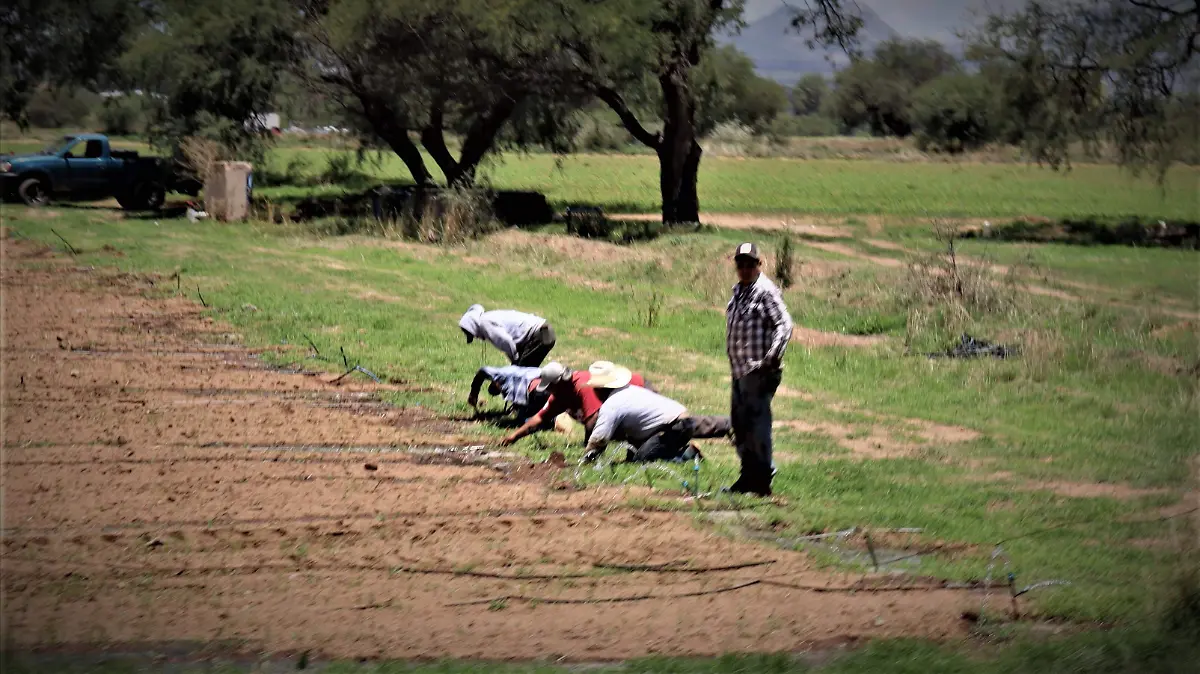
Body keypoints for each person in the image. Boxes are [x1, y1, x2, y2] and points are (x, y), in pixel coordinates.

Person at [725, 242, 794, 496]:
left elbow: (784, 324)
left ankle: (762, 479)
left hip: (758, 370)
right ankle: (748, 476)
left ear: (759, 265)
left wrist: (772, 357)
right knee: (740, 425)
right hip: (740, 370)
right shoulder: (740, 291)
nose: (744, 268)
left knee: (757, 424)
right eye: (740, 264)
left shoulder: (765, 291)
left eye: (750, 264)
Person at [581, 361, 731, 464]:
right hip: (680, 421)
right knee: (636, 455)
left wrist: (587, 461)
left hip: (673, 427)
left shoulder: (612, 405)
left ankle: (687, 455)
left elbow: (598, 440)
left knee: (642, 461)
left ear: (599, 389)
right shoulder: (630, 391)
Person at [499, 361, 653, 446]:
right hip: (624, 404)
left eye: (549, 387)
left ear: (559, 382)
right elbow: (539, 418)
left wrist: (588, 448)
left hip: (640, 390)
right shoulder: (560, 393)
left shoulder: (582, 386)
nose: (548, 391)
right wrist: (514, 436)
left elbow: (592, 421)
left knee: (647, 433)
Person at [458, 304, 556, 367]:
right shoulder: (487, 318)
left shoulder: (485, 323)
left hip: (540, 335)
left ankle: (544, 395)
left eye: (471, 334)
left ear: (473, 326)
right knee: (524, 373)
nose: (475, 337)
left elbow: (507, 342)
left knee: (521, 375)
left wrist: (515, 362)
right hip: (542, 333)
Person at [466, 365, 548, 423]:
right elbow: (482, 371)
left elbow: (482, 370)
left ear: (496, 383)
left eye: (500, 390)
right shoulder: (503, 373)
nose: (501, 392)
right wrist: (474, 393)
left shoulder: (503, 377)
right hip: (540, 375)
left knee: (525, 419)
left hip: (539, 386)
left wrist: (474, 393)